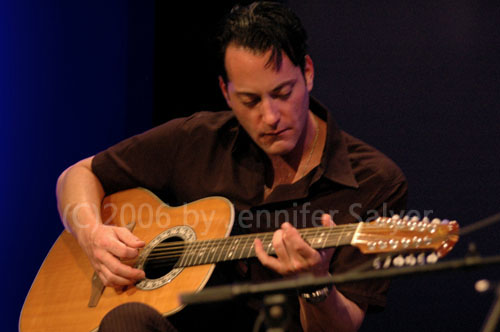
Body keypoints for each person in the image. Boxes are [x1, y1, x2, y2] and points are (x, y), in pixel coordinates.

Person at [56, 2, 407, 331]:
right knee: (127, 321)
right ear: (226, 92)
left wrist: (315, 285)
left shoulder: (374, 180)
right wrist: (92, 235)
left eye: (283, 93)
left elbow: (342, 326)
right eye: (250, 100)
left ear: (308, 74)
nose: (270, 117)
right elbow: (77, 175)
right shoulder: (197, 139)